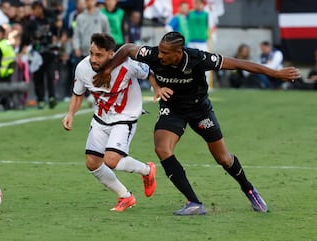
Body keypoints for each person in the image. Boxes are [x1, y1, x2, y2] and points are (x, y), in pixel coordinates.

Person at [92, 31, 301, 215]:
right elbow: (128, 48)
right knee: (162, 149)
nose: (160, 55)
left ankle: (249, 189)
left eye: (165, 52)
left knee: (223, 158)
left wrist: (274, 73)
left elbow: (238, 63)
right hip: (172, 108)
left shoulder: (198, 58)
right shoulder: (154, 54)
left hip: (200, 110)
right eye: (160, 51)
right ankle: (193, 202)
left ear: (178, 52)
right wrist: (108, 69)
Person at [62, 33, 156, 212]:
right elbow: (77, 93)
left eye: (99, 55)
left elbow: (149, 71)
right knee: (92, 162)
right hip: (101, 117)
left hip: (125, 117)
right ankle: (125, 196)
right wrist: (70, 114)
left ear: (111, 54)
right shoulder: (83, 68)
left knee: (111, 160)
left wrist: (157, 88)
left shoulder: (126, 65)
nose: (93, 59)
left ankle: (147, 170)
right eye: (91, 53)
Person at [22, 1, 58, 109]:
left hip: (50, 52)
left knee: (50, 75)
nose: (37, 11)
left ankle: (52, 97)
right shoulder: (31, 24)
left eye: (38, 8)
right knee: (38, 77)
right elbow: (26, 39)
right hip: (37, 54)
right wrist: (23, 49)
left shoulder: (50, 21)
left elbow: (56, 33)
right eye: (35, 9)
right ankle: (40, 99)